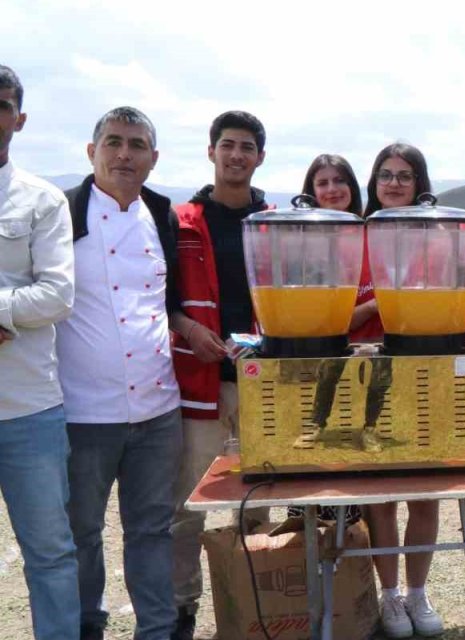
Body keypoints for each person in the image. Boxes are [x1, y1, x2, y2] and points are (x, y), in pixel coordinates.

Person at [58, 107, 185, 640]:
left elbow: (167, 301)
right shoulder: (63, 214)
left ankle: (156, 630)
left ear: (153, 159)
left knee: (152, 530)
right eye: (113, 142)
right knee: (82, 532)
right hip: (85, 411)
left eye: (136, 145)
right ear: (92, 152)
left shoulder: (163, 214)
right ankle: (89, 625)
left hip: (159, 408)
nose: (124, 154)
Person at [167, 110, 272, 639]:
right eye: (227, 145)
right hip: (200, 382)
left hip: (260, 383)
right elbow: (156, 298)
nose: (236, 155)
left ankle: (259, 599)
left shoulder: (274, 222)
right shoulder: (179, 221)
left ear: (259, 157)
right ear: (211, 152)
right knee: (188, 500)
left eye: (247, 147)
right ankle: (181, 607)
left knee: (259, 496)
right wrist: (187, 327)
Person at [0, 64, 80, 640]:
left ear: (19, 119)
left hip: (27, 409)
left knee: (50, 554)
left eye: (2, 105)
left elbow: (57, 294)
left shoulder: (42, 200)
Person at [359, 142, 445, 639]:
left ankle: (418, 591)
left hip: (423, 371)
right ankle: (389, 595)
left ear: (419, 183)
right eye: (386, 174)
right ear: (374, 182)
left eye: (404, 175)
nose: (394, 182)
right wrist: (379, 306)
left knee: (426, 491)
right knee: (382, 493)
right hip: (368, 372)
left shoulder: (437, 235)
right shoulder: (357, 236)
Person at [284, 153, 366, 525]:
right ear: (311, 191)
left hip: (369, 372)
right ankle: (309, 563)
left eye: (339, 181)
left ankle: (355, 567)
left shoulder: (370, 235)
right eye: (323, 183)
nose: (332, 190)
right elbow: (325, 317)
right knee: (316, 466)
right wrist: (381, 302)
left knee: (363, 477)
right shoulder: (303, 244)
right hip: (317, 369)